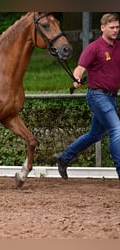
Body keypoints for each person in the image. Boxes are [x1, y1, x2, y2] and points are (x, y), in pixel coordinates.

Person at [53, 13, 120, 180]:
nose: (116, 30)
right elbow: (80, 68)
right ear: (102, 28)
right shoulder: (94, 48)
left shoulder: (118, 47)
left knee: (96, 134)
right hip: (97, 95)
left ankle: (64, 157)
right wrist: (76, 79)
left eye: (118, 27)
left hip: (112, 97)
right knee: (117, 129)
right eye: (112, 27)